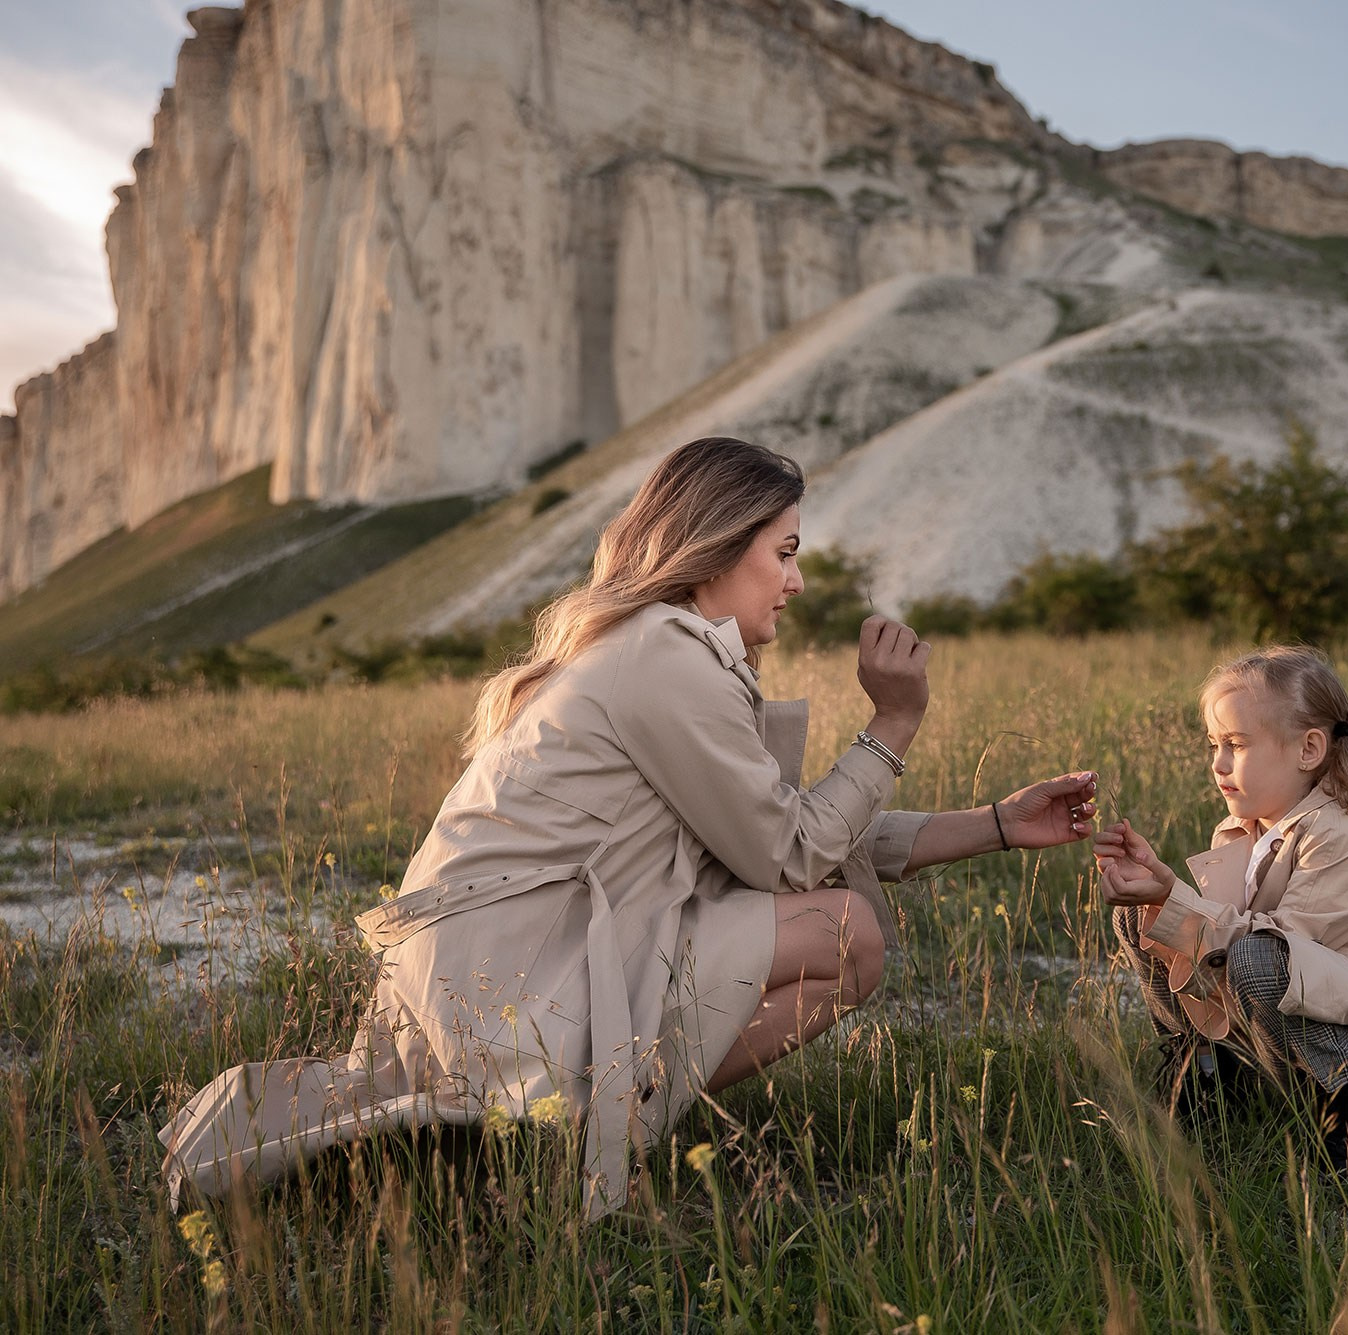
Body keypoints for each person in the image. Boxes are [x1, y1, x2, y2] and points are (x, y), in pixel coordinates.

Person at [160, 436, 1098, 1218]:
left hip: (491, 970)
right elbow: (791, 854)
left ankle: (570, 1126)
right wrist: (892, 723)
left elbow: (792, 832)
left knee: (831, 917)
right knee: (847, 934)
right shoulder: (665, 656)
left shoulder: (655, 645)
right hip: (514, 973)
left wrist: (998, 824)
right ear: (717, 546)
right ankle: (592, 1134)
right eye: (783, 551)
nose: (798, 579)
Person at [1091, 646, 1348, 1159]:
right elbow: (1223, 941)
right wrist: (1156, 896)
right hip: (1272, 1016)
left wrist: (1173, 897)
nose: (1217, 764)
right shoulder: (1247, 825)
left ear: (1309, 749)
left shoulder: (1337, 836)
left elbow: (1277, 950)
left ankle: (1346, 1107)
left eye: (1236, 745)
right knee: (1140, 915)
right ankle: (1200, 1065)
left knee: (1256, 956)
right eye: (1213, 744)